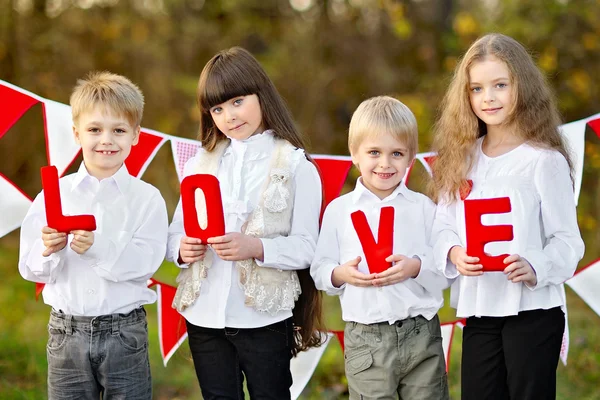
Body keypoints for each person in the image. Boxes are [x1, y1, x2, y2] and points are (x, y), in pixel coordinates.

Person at [430, 33, 585, 400]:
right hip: (481, 310)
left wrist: (536, 265)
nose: (489, 97)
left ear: (523, 86)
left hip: (533, 311)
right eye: (477, 88)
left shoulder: (543, 160)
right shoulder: (462, 159)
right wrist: (453, 252)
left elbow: (567, 241)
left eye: (500, 85)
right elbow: (442, 226)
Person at [166, 47, 324, 400]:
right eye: (217, 109)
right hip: (204, 317)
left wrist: (256, 247)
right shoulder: (199, 164)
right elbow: (176, 230)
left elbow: (308, 247)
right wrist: (181, 248)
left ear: (261, 94)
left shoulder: (296, 167)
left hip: (263, 319)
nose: (228, 116)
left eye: (237, 102)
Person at [18, 71, 168, 399]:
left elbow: (146, 263)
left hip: (124, 334)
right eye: (94, 130)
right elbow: (29, 268)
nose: (106, 140)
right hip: (65, 334)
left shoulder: (146, 199)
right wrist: (49, 250)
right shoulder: (54, 195)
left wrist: (100, 248)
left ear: (136, 135)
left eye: (118, 130)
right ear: (76, 134)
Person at [311, 96, 450, 400]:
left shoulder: (424, 208)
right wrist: (340, 274)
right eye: (374, 152)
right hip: (366, 339)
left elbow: (444, 270)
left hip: (421, 332)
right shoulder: (339, 211)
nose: (385, 163)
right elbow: (319, 270)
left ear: (411, 157)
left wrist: (416, 267)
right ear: (355, 154)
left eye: (396, 153)